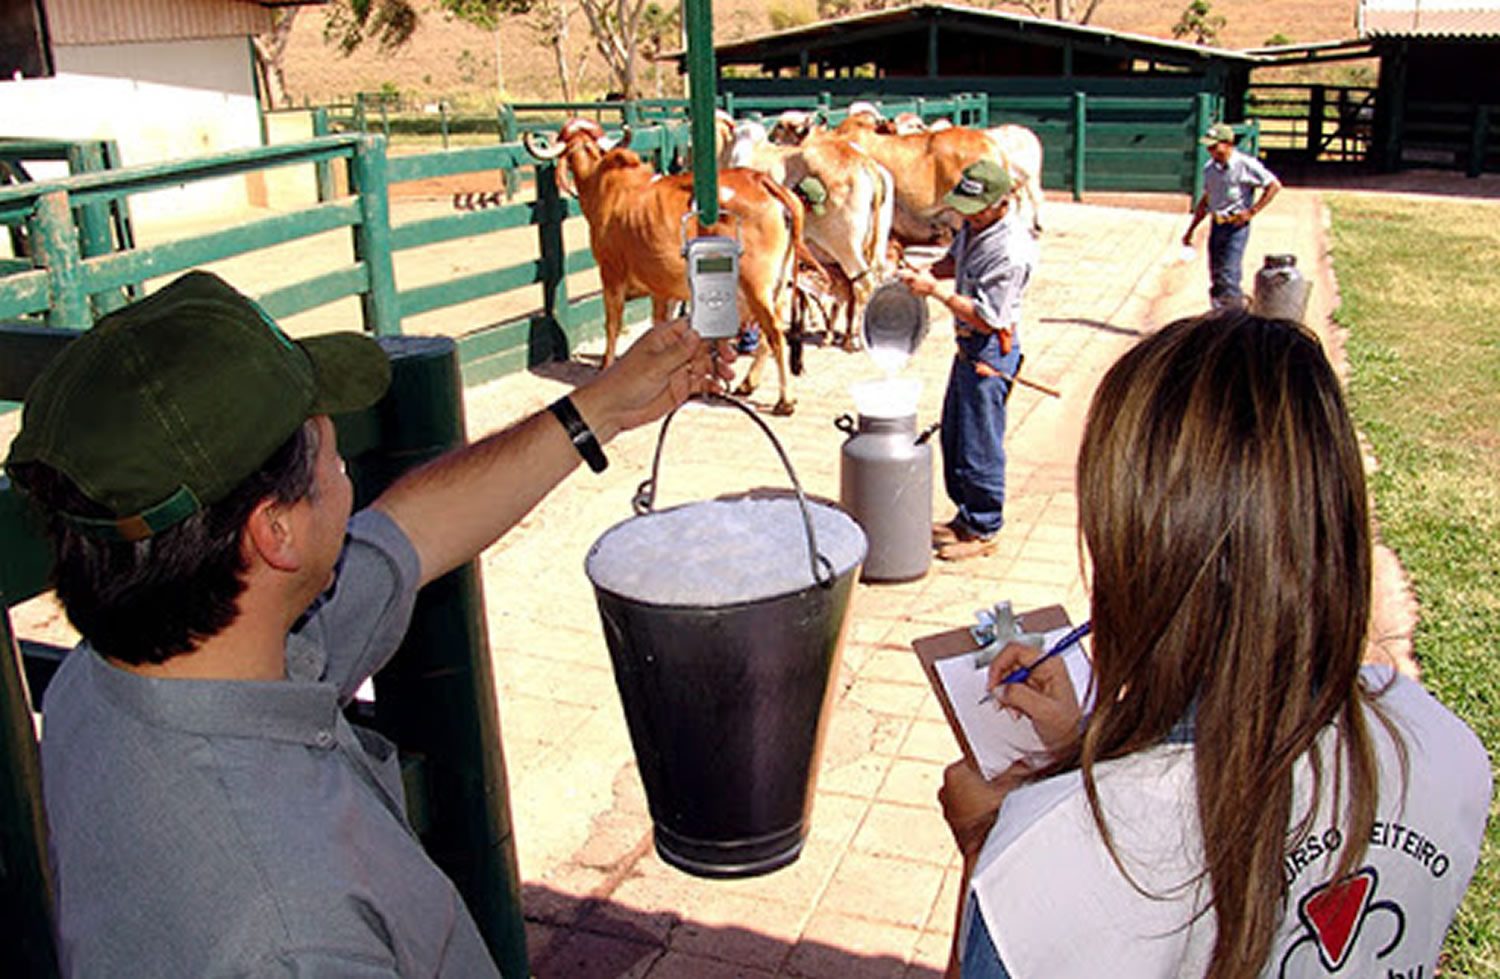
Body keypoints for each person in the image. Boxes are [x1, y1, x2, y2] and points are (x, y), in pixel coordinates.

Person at [4, 270, 733, 977]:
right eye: (331, 454)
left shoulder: (114, 679)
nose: (347, 475)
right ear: (275, 532)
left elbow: (409, 535)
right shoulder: (293, 937)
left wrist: (600, 406)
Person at [938, 311, 1489, 978]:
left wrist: (984, 847)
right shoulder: (1444, 745)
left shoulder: (1044, 855)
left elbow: (1154, 832)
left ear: (1138, 561)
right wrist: (1083, 741)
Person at [898, 158, 1035, 562]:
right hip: (967, 348)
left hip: (990, 351)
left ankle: (985, 526)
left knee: (980, 442)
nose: (967, 217)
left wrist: (935, 293)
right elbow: (953, 261)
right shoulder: (976, 227)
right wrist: (926, 270)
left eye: (976, 211)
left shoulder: (1011, 251)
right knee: (955, 434)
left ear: (1001, 204)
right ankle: (965, 515)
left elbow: (990, 319)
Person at [1182, 122, 1282, 310]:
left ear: (1228, 143)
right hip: (1217, 224)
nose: (1211, 151)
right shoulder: (1210, 169)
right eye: (1209, 147)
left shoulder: (1245, 165)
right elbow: (1206, 199)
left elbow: (1274, 185)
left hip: (1236, 226)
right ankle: (1219, 315)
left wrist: (1252, 212)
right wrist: (1191, 230)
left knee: (1229, 274)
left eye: (1214, 146)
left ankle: (1234, 319)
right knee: (1217, 275)